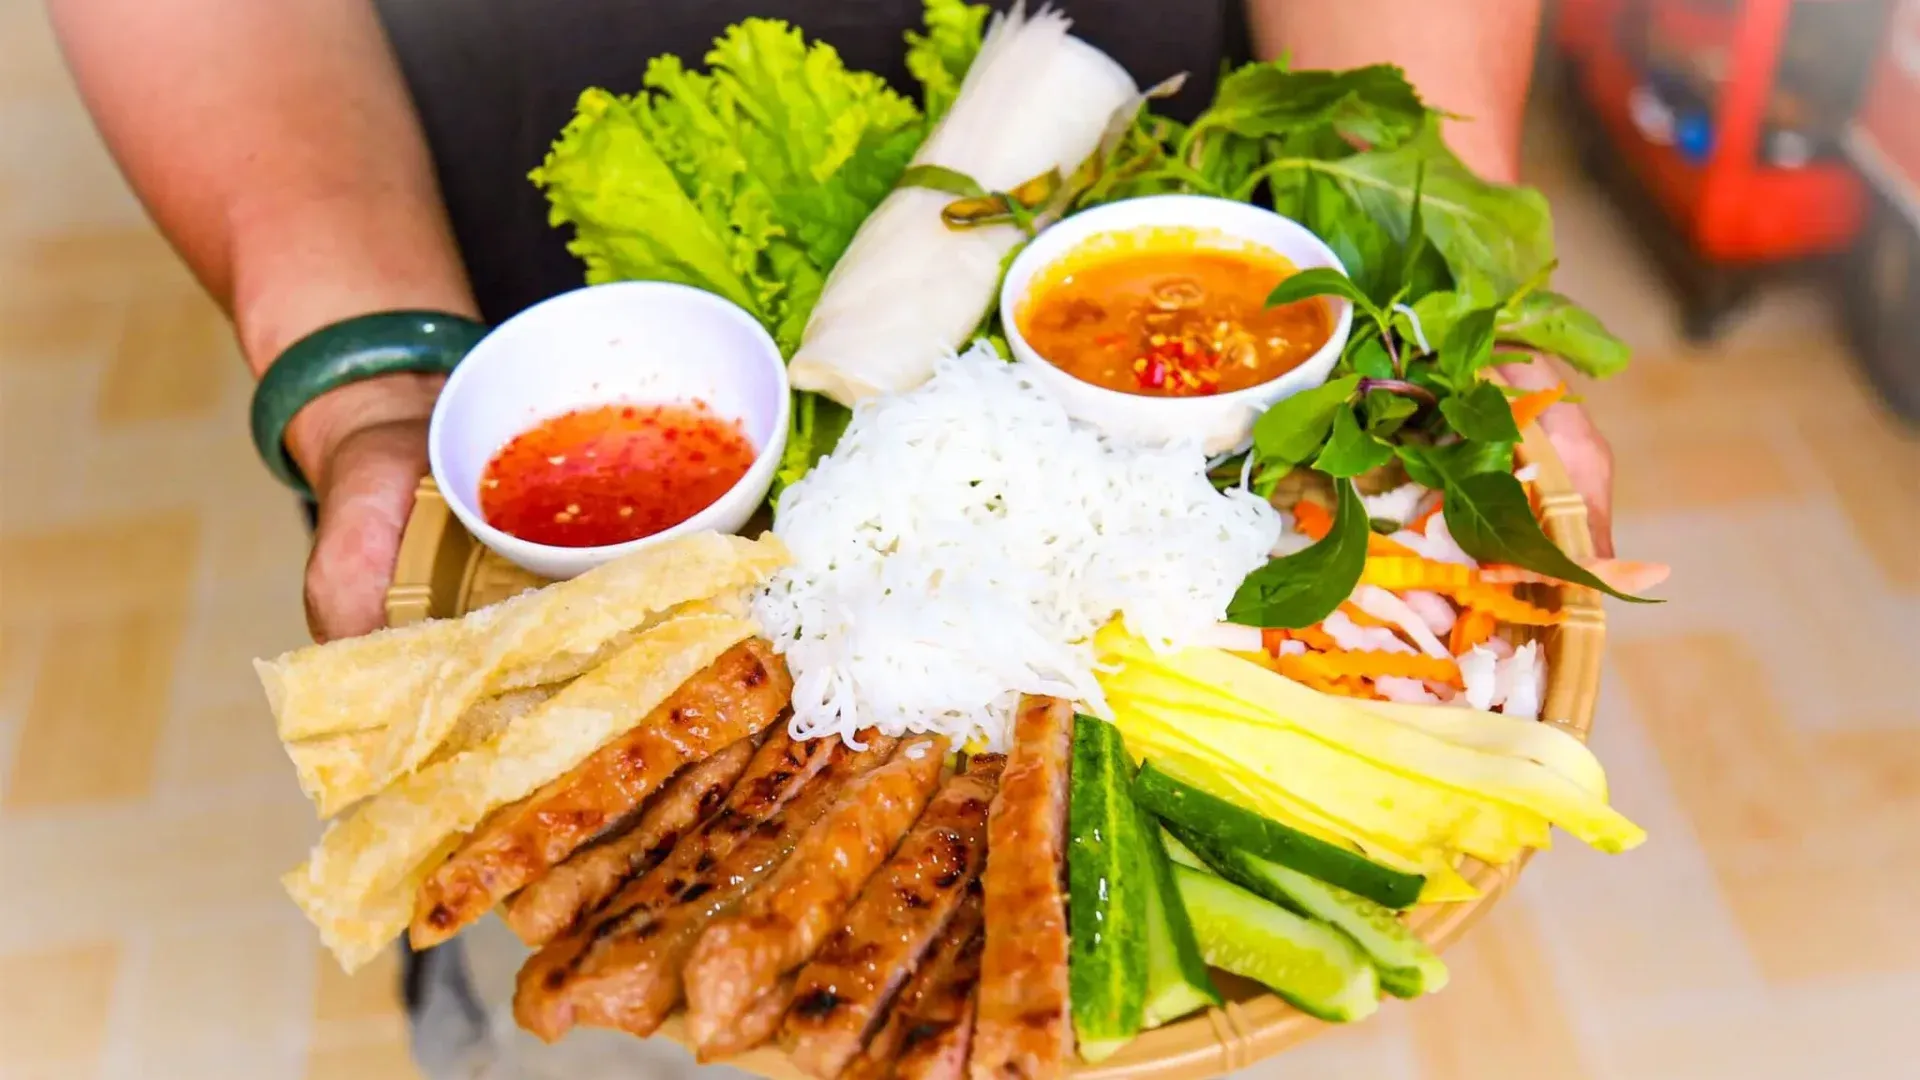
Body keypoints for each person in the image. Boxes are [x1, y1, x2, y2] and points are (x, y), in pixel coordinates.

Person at [49, 0, 1606, 1074]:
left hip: (1177, 217)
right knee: (599, 998)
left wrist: (1448, 257)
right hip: (518, 313)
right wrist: (374, 383)